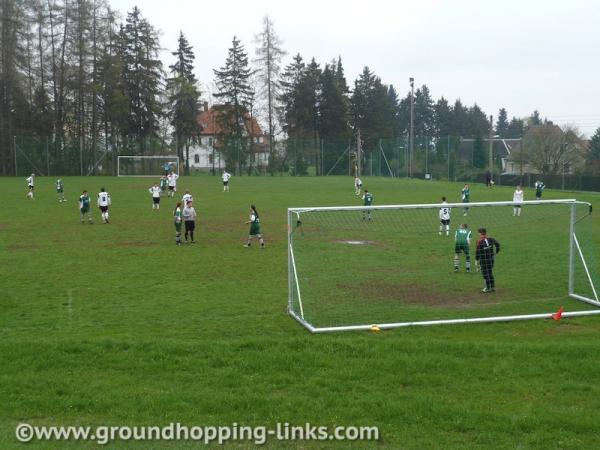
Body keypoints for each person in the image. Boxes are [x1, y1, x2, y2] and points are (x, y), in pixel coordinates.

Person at [475, 227, 501, 293]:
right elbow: (497, 244)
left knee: (485, 273)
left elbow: (478, 251)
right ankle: (492, 287)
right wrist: (496, 252)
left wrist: (476, 260)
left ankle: (487, 288)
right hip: (491, 259)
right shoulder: (491, 239)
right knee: (490, 272)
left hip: (484, 260)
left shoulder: (479, 241)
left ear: (480, 233)